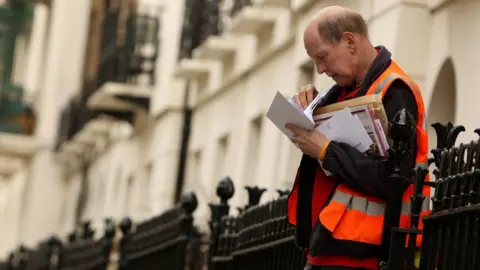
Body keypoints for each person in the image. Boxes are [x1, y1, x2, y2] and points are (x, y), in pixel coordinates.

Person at [284, 6, 431, 270]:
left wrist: (326, 151)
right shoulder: (345, 90)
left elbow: (394, 178)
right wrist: (309, 105)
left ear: (349, 41)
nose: (320, 69)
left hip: (370, 253)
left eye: (322, 57)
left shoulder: (395, 90)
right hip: (333, 246)